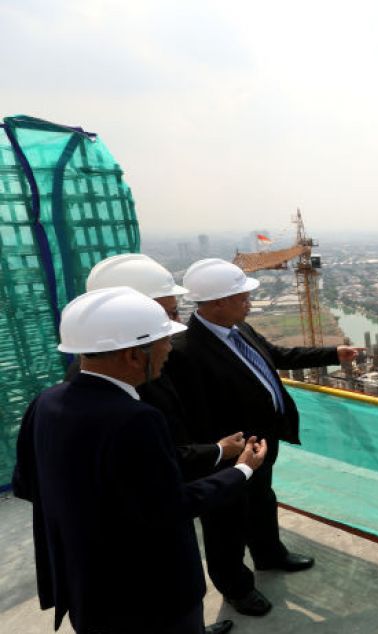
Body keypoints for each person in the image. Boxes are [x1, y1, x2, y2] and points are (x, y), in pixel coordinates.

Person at [12, 286, 268, 634]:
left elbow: (27, 483)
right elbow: (170, 508)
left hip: (86, 581)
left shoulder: (47, 402)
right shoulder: (134, 418)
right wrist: (242, 471)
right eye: (164, 340)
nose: (169, 349)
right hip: (147, 593)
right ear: (134, 356)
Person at [164, 258, 360, 617]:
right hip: (227, 456)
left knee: (261, 501)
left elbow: (278, 356)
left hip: (261, 446)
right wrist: (221, 454)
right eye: (242, 297)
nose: (249, 302)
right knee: (225, 523)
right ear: (217, 302)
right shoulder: (185, 351)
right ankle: (237, 588)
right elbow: (192, 417)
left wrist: (332, 353)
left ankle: (269, 554)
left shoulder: (239, 329)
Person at [83, 253, 247, 480]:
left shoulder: (56, 398)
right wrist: (223, 455)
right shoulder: (135, 401)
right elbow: (160, 469)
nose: (177, 322)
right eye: (169, 314)